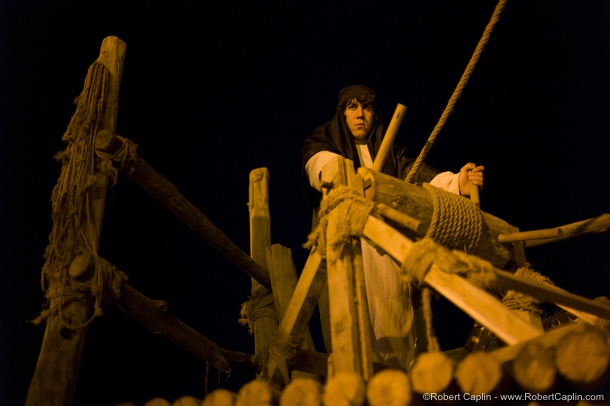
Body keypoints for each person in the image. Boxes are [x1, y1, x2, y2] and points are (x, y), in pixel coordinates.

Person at [301, 84, 484, 369]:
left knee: (395, 323)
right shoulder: (323, 142)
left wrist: (457, 182)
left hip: (390, 254)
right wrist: (339, 172)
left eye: (367, 107)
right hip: (349, 247)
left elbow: (423, 182)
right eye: (352, 107)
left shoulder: (394, 156)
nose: (360, 114)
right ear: (342, 114)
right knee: (352, 323)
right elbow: (318, 165)